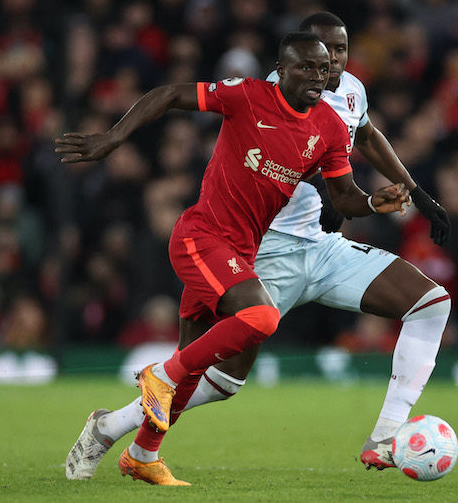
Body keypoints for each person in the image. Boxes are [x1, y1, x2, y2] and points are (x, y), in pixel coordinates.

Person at [57, 30, 411, 486]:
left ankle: (135, 448)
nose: (317, 77)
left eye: (324, 69)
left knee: (192, 360)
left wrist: (373, 203)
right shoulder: (245, 95)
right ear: (280, 70)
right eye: (305, 67)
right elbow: (166, 95)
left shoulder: (327, 126)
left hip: (243, 252)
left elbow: (343, 198)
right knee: (261, 319)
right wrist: (112, 138)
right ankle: (158, 376)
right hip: (200, 238)